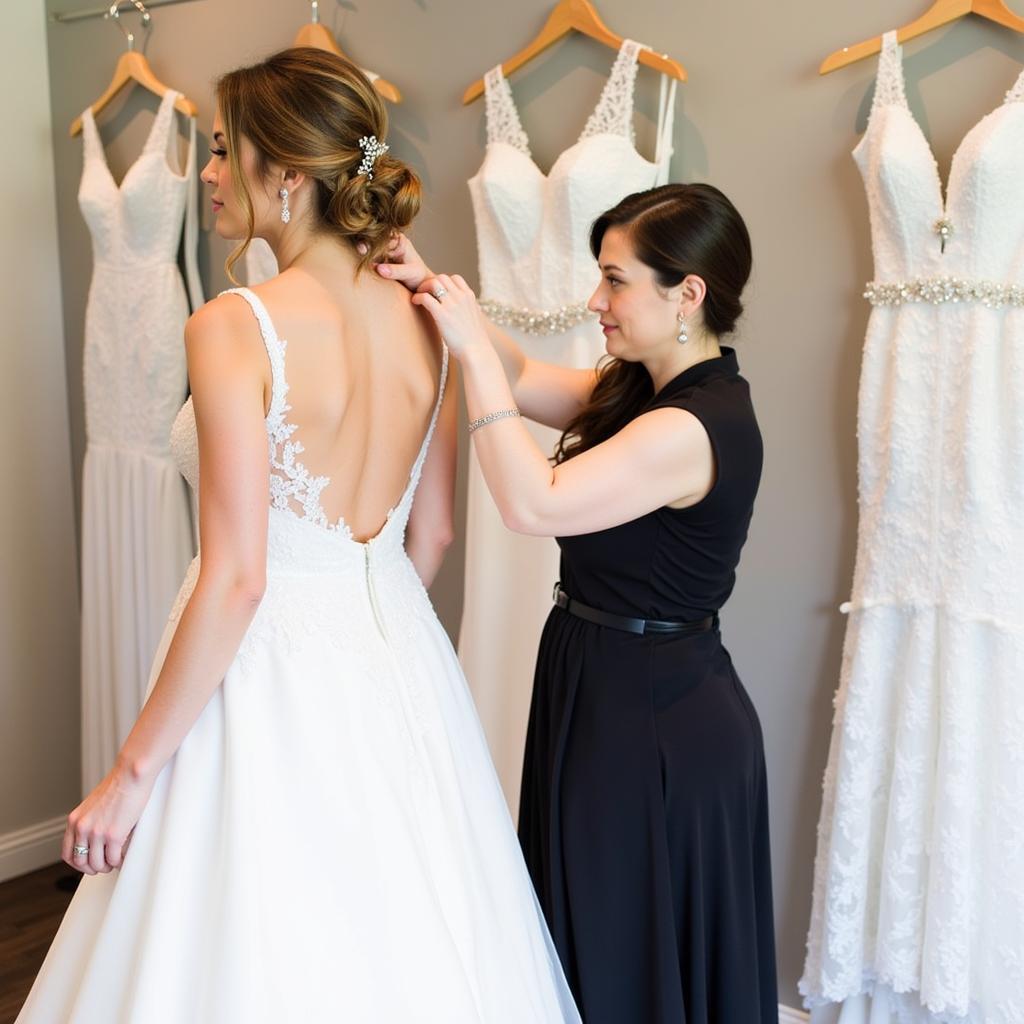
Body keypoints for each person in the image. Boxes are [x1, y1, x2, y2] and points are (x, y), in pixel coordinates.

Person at [17, 48, 579, 1024]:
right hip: (397, 657)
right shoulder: (430, 316)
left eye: (225, 151)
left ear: (287, 176)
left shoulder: (233, 324)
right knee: (407, 932)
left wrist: (129, 773)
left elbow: (237, 579)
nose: (208, 174)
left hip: (263, 667)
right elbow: (433, 533)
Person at [379, 183, 778, 1023]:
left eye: (615, 280)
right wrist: (430, 288)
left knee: (624, 952)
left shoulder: (695, 425)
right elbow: (521, 373)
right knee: (590, 938)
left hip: (659, 720)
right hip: (603, 684)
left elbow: (536, 503)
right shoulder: (642, 390)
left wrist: (470, 359)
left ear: (688, 294)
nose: (594, 301)